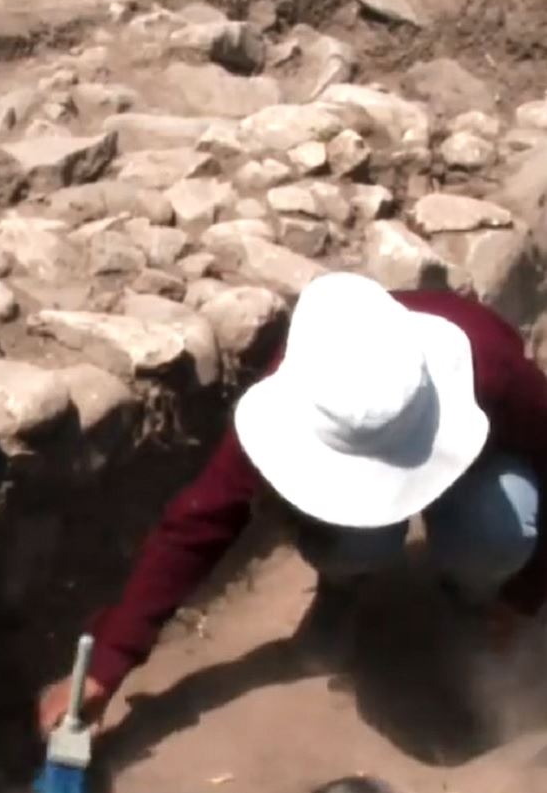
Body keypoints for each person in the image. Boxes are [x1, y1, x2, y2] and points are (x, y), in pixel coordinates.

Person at [37, 271, 547, 735]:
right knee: (352, 541)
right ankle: (343, 592)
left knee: (502, 526)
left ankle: (471, 600)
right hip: (375, 495)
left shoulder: (493, 371)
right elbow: (198, 524)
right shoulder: (306, 390)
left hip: (479, 468)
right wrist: (106, 665)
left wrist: (523, 596)